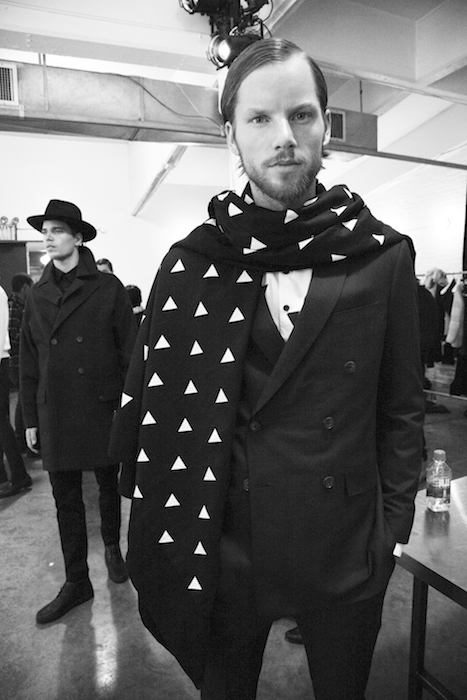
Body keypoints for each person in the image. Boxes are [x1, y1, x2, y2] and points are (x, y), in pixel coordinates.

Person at [110, 39, 424, 700]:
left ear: (324, 125)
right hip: (224, 545)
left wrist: (391, 535)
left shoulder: (380, 254)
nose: (284, 136)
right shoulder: (193, 262)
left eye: (301, 114)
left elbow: (401, 408)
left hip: (344, 543)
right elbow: (156, 405)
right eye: (260, 118)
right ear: (230, 134)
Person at [21, 199, 137, 625]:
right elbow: (29, 359)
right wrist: (30, 418)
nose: (48, 238)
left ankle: (112, 547)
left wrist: (130, 409)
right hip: (55, 408)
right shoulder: (37, 294)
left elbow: (131, 354)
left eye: (57, 230)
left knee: (108, 485)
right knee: (65, 498)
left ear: (78, 237)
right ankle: (76, 580)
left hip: (101, 404)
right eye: (45, 232)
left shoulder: (108, 288)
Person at [0, 283, 31, 497]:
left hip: (1, 360)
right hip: (3, 359)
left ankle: (18, 475)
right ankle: (5, 476)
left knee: (2, 422)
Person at [8, 272, 34, 453]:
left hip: (17, 360)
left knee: (22, 398)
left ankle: (22, 441)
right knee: (23, 398)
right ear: (25, 288)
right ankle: (21, 440)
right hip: (15, 361)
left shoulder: (18, 305)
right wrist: (28, 334)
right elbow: (11, 334)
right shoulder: (14, 306)